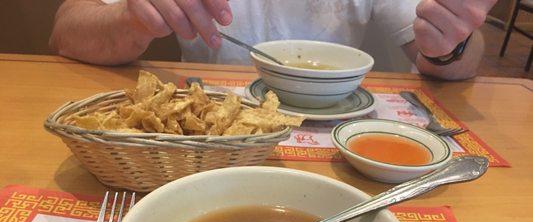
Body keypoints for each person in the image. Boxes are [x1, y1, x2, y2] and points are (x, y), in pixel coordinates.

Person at [49, 0, 496, 80]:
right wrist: (134, 18)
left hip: (341, 148)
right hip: (210, 144)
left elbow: (463, 60)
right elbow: (67, 31)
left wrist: (450, 44)